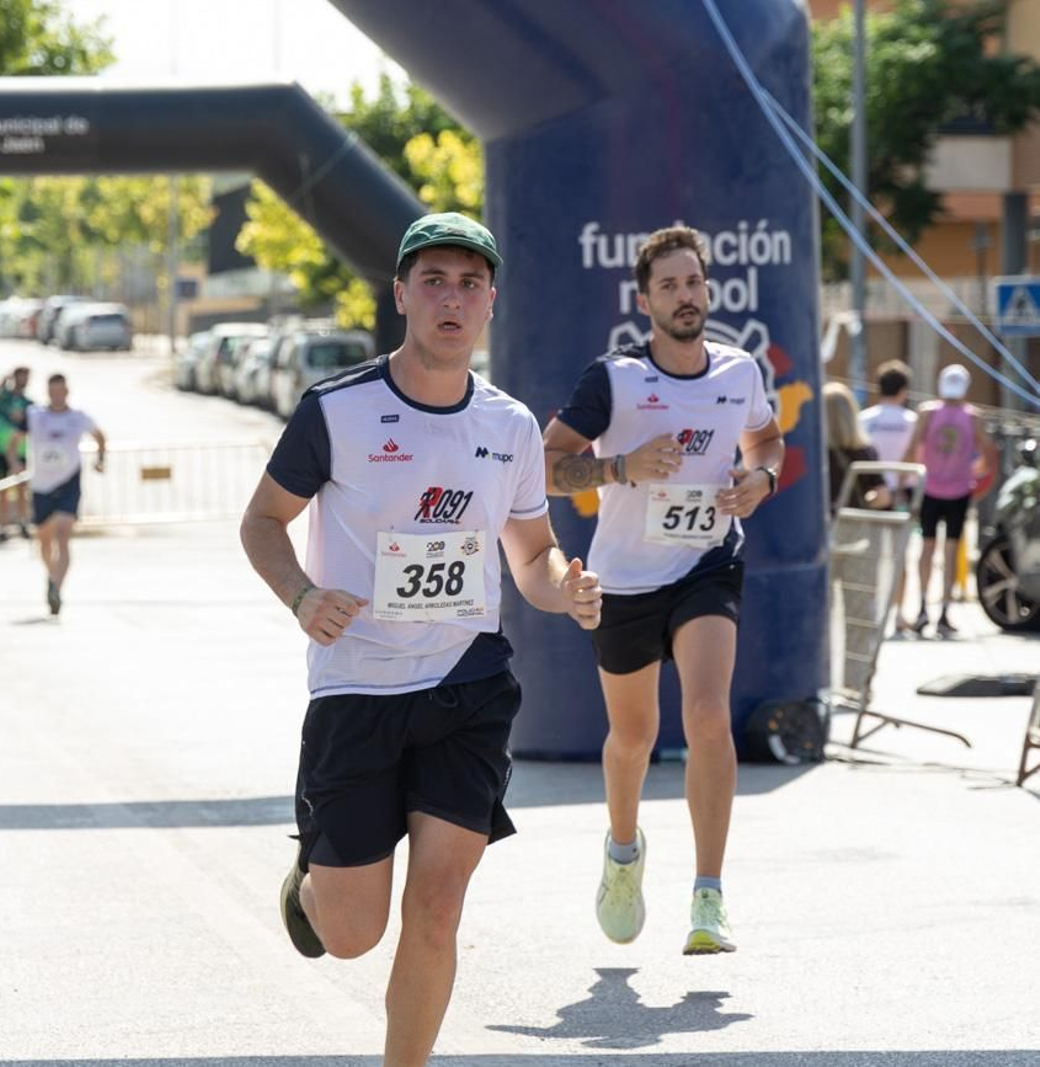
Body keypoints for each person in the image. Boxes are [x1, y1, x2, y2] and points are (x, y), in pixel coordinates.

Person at [240, 212, 602, 1066]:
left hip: (466, 685)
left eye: (470, 283)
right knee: (355, 934)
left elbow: (533, 556)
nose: (452, 297)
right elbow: (261, 520)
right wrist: (299, 594)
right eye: (433, 280)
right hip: (356, 687)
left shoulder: (511, 426)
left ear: (490, 304)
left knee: (438, 908)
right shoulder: (338, 409)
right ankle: (314, 887)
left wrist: (566, 590)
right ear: (401, 293)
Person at [541, 225, 785, 956]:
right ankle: (623, 852)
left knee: (710, 714)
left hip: (707, 564)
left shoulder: (739, 372)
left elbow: (766, 440)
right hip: (624, 578)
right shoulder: (613, 380)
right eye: (669, 285)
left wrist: (760, 479)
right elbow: (550, 466)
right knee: (635, 736)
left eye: (694, 282)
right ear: (644, 300)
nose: (685, 296)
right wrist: (621, 469)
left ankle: (708, 896)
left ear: (709, 290)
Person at [902, 363, 999, 638]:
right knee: (950, 551)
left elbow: (912, 447)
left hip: (930, 488)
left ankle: (923, 608)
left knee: (927, 549)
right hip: (958, 490)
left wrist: (903, 482)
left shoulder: (927, 412)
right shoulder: (973, 417)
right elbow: (990, 453)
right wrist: (976, 477)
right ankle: (943, 611)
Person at [5, 373, 106, 615]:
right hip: (41, 486)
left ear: (67, 392)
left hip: (68, 483)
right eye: (52, 391)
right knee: (44, 540)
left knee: (63, 536)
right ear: (48, 392)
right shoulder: (35, 415)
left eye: (61, 391)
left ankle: (57, 589)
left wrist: (101, 459)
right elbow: (13, 441)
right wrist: (14, 462)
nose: (57, 395)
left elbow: (100, 436)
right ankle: (51, 576)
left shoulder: (78, 417)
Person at [858, 360, 918, 633]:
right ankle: (898, 614)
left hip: (869, 494)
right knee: (900, 556)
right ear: (904, 390)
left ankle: (870, 611)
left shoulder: (864, 419)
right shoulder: (911, 421)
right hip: (902, 493)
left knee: (869, 557)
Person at [822, 382, 888, 514]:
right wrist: (858, 504)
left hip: (821, 525)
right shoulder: (866, 451)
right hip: (853, 527)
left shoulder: (815, 454)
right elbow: (883, 497)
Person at [0, 366, 32, 543]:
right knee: (2, 490)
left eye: (26, 378)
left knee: (22, 488)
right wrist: (2, 381)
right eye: (21, 377)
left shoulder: (29, 403)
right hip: (1, 448)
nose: (23, 381)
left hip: (21, 450)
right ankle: (2, 527)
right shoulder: (3, 398)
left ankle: (23, 523)